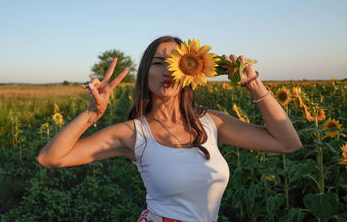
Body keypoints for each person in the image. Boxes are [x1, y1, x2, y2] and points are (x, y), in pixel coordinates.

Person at [37, 36, 302, 222]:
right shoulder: (134, 134)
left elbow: (288, 143)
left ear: (189, 72)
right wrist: (92, 113)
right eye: (158, 63)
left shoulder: (211, 122)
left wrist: (253, 84)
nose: (168, 70)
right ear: (146, 73)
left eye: (176, 61)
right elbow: (50, 158)